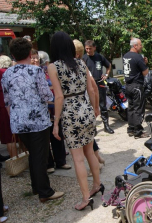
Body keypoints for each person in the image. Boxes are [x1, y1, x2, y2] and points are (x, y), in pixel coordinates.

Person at [1, 37, 64, 202]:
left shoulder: (7, 73)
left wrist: (12, 118)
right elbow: (46, 95)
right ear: (30, 53)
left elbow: (7, 100)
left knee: (33, 154)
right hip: (37, 121)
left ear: (13, 54)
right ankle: (45, 191)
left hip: (18, 121)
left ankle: (37, 187)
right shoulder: (35, 71)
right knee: (40, 157)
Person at [48, 31, 102, 211]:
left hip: (70, 114)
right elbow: (92, 90)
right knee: (90, 151)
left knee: (78, 159)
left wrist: (56, 123)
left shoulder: (53, 67)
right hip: (86, 109)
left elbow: (59, 97)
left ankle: (85, 198)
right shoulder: (81, 62)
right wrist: (95, 108)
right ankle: (97, 185)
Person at [73, 39, 105, 174]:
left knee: (85, 141)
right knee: (89, 137)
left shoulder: (79, 65)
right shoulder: (80, 64)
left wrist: (95, 106)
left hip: (81, 107)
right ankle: (97, 158)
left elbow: (93, 88)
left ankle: (95, 165)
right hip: (85, 107)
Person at [38, 51, 72, 174]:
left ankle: (61, 160)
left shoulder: (50, 70)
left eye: (38, 59)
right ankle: (49, 163)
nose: (38, 62)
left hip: (54, 107)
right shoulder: (36, 73)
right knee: (45, 137)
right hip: (43, 109)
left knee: (57, 134)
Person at [82, 40, 114, 134]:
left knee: (103, 105)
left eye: (90, 48)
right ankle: (93, 127)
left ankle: (106, 126)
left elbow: (109, 65)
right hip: (89, 85)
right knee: (91, 106)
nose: (88, 50)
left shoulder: (99, 57)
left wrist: (106, 74)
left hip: (100, 83)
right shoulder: (84, 58)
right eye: (86, 49)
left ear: (94, 48)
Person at [123, 38, 149, 138]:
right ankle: (138, 131)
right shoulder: (137, 57)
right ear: (135, 46)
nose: (141, 46)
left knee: (131, 107)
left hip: (128, 85)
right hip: (136, 85)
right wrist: (145, 64)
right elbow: (145, 72)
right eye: (140, 45)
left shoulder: (126, 55)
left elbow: (133, 67)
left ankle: (131, 129)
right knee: (138, 108)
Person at [0, 55, 14, 160]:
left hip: (2, 105)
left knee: (8, 135)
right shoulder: (8, 73)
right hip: (9, 104)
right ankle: (17, 159)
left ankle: (13, 160)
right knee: (12, 135)